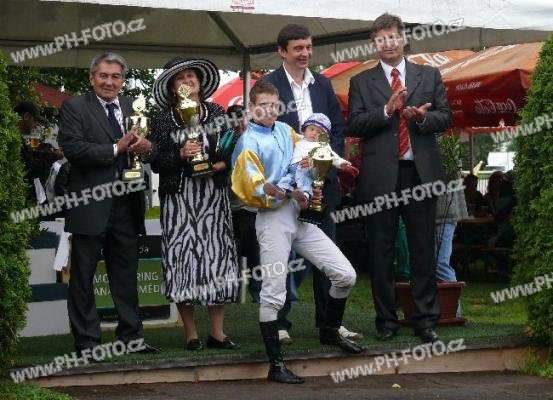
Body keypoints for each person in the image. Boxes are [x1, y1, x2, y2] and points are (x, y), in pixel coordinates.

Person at [232, 81, 363, 385]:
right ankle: (276, 365)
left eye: (274, 105)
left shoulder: (286, 131)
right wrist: (290, 193)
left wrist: (315, 176)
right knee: (273, 292)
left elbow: (309, 157)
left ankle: (330, 331)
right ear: (252, 108)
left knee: (345, 275)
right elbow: (254, 188)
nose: (269, 111)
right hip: (272, 219)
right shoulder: (248, 142)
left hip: (300, 215)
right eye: (263, 105)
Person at [347, 13, 452, 343]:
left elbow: (445, 117)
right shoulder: (361, 82)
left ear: (404, 38)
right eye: (381, 39)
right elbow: (354, 125)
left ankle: (425, 321)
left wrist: (421, 118)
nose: (388, 43)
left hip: (420, 174)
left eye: (393, 37)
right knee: (381, 252)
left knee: (423, 249)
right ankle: (386, 320)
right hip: (380, 178)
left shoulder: (428, 74)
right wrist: (386, 111)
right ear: (373, 44)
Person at [261, 24, 361, 343]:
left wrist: (325, 169)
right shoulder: (269, 85)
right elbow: (265, 132)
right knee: (280, 261)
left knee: (326, 258)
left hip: (321, 187)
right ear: (282, 51)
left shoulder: (323, 84)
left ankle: (329, 323)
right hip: (284, 189)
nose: (305, 53)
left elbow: (338, 130)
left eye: (308, 47)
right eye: (298, 48)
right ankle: (279, 322)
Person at [58, 52, 158, 354]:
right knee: (83, 277)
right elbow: (74, 150)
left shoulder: (132, 107)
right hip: (90, 204)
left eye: (115, 77)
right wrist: (117, 147)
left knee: (126, 276)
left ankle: (131, 338)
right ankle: (87, 342)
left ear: (122, 81)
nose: (109, 82)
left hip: (127, 204)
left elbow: (149, 150)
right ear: (92, 78)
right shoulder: (75, 106)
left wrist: (146, 147)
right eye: (103, 76)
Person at [144, 57, 240, 351]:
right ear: (173, 88)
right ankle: (191, 334)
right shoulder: (162, 119)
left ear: (199, 82)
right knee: (183, 259)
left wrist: (222, 164)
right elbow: (155, 161)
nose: (187, 80)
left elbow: (230, 149)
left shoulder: (218, 112)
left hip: (214, 197)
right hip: (178, 199)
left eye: (191, 75)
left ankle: (217, 333)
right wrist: (180, 154)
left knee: (217, 259)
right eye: (180, 78)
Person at [219, 104, 262, 302]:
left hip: (253, 209)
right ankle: (233, 295)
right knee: (232, 256)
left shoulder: (257, 138)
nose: (240, 124)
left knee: (256, 256)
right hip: (232, 208)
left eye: (243, 119)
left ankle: (258, 295)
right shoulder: (225, 140)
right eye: (235, 120)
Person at [274, 112, 359, 197]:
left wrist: (342, 163)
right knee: (289, 177)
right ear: (304, 130)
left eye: (319, 132)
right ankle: (281, 189)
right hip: (293, 166)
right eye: (312, 129)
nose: (314, 133)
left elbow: (332, 156)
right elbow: (288, 133)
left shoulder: (322, 145)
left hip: (308, 168)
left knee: (305, 180)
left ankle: (304, 195)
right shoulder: (300, 138)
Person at [435, 175, 468, 317]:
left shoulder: (449, 164)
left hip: (445, 214)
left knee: (440, 263)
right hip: (436, 214)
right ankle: (443, 309)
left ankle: (455, 311)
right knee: (434, 263)